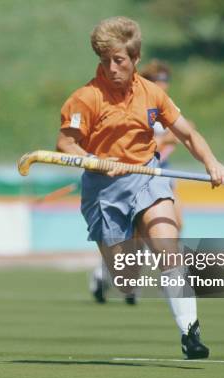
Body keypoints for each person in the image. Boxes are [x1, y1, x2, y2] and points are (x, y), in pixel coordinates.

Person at [57, 17, 224, 359]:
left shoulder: (152, 93)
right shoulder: (85, 98)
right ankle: (105, 277)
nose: (111, 69)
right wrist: (92, 159)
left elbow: (187, 133)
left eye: (119, 60)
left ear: (136, 59)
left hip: (147, 176)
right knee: (126, 279)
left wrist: (211, 162)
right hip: (103, 190)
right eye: (105, 61)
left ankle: (190, 332)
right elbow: (66, 144)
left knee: (168, 244)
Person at [88, 59, 184, 306]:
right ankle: (106, 275)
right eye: (158, 82)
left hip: (163, 175)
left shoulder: (165, 105)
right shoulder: (136, 104)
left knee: (174, 225)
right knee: (133, 236)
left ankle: (162, 278)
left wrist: (166, 142)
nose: (163, 87)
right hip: (135, 177)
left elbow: (182, 130)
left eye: (165, 83)